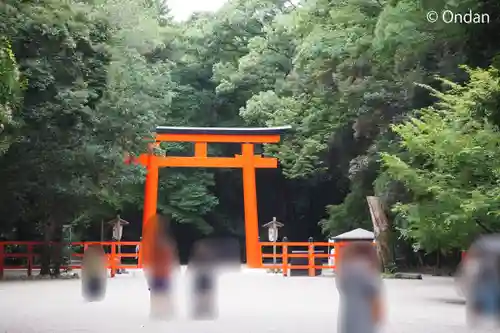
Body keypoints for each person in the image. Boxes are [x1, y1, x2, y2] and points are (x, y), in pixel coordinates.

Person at [336, 241, 384, 333]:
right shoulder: (367, 273)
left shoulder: (345, 273)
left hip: (348, 320)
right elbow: (375, 301)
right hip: (364, 321)